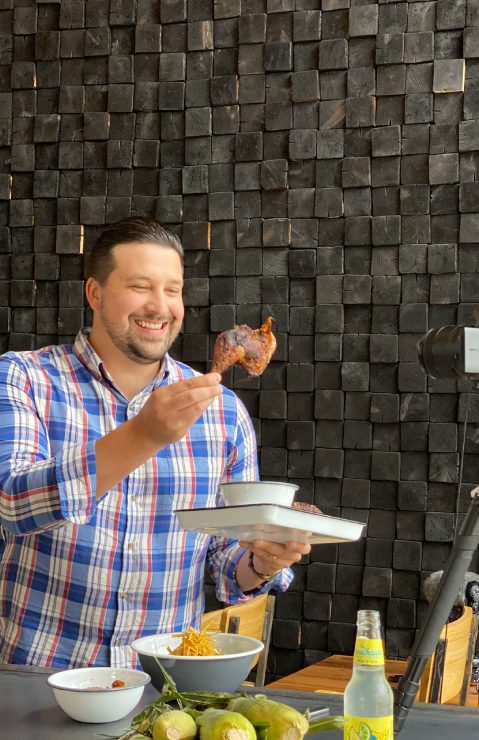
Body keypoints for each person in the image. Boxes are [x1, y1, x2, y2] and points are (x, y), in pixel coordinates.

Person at [0, 217, 310, 668]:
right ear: (95, 293)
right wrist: (143, 435)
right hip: (35, 676)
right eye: (141, 286)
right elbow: (13, 503)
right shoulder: (23, 377)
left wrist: (263, 560)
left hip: (162, 688)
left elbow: (225, 561)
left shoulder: (223, 413)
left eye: (172, 289)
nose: (160, 306)